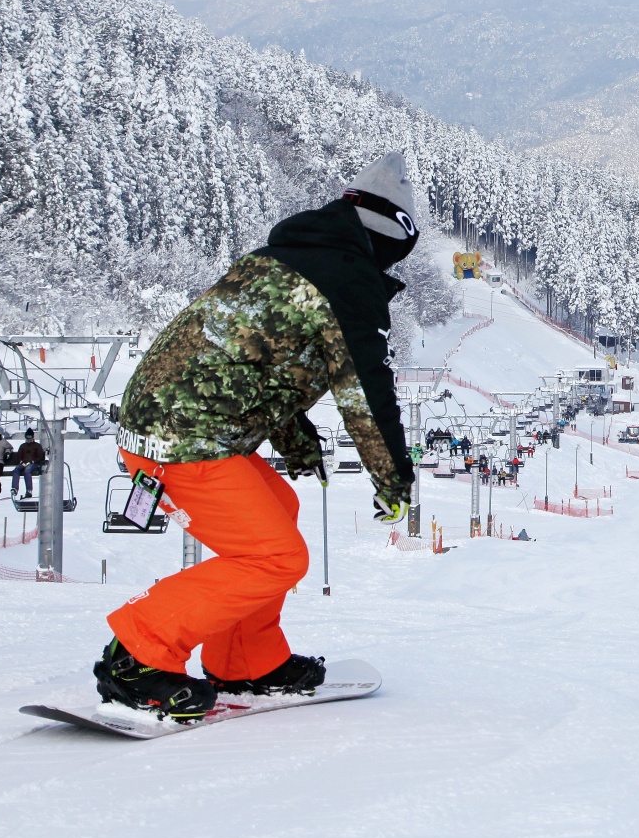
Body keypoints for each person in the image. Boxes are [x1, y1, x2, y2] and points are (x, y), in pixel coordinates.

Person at [96, 153, 422, 721]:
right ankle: (136, 658)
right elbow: (365, 391)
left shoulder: (285, 259)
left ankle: (248, 662)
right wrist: (393, 477)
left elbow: (258, 362)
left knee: (278, 506)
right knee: (275, 557)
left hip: (176, 423)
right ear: (391, 237)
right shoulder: (347, 281)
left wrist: (295, 441)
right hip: (186, 437)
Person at [11, 428, 46, 500]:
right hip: (24, 463)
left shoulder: (37, 446)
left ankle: (29, 490)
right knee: (16, 469)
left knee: (27, 471)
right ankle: (15, 488)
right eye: (27, 438)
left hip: (34, 464)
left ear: (33, 437)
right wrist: (21, 461)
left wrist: (33, 461)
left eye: (30, 437)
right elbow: (19, 455)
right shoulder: (23, 446)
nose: (29, 439)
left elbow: (40, 456)